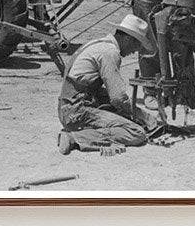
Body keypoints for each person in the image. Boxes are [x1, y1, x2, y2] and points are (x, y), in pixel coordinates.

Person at [57, 14, 155, 154]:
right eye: (136, 44)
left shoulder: (99, 43)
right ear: (127, 38)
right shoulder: (110, 52)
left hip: (69, 107)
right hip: (76, 112)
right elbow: (118, 98)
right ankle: (74, 138)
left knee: (124, 115)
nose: (136, 50)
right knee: (136, 132)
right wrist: (143, 115)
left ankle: (83, 131)